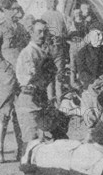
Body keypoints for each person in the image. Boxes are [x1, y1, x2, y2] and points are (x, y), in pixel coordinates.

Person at [0, 0, 30, 163]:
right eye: (14, 9)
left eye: (18, 9)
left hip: (22, 75)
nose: (17, 12)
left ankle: (21, 150)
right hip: (7, 76)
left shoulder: (23, 29)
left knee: (21, 112)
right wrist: (2, 66)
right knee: (4, 111)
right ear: (5, 10)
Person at [15, 19, 69, 149]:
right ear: (31, 33)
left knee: (57, 130)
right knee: (31, 140)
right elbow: (33, 78)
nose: (42, 35)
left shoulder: (43, 51)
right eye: (39, 32)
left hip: (41, 98)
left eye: (45, 32)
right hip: (29, 98)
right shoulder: (28, 52)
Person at [75, 21, 103, 127]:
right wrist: (94, 81)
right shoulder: (82, 53)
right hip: (90, 90)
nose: (100, 38)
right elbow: (82, 72)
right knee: (91, 120)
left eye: (102, 35)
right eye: (97, 34)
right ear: (90, 35)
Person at [40, 0, 68, 103]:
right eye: (50, 1)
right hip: (48, 48)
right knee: (49, 77)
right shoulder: (44, 16)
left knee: (59, 77)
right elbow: (42, 32)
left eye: (55, 1)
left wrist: (61, 38)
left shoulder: (61, 15)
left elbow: (65, 30)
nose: (53, 3)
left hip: (59, 48)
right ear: (47, 3)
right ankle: (51, 102)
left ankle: (60, 103)